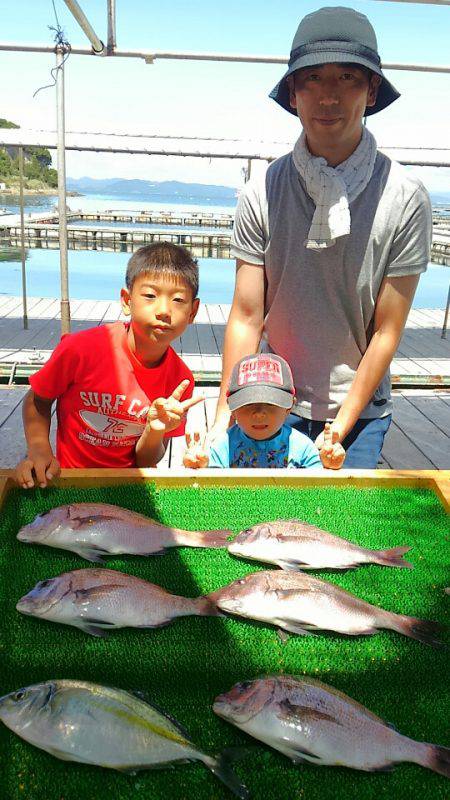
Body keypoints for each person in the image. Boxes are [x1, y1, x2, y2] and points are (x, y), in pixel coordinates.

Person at [211, 6, 432, 469]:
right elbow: (247, 316)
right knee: (256, 528)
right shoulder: (262, 191)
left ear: (371, 91)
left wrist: (342, 425)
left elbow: (386, 331)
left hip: (359, 412)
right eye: (311, 78)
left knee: (338, 532)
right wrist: (223, 415)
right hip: (266, 398)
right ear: (293, 93)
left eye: (348, 76)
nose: (328, 96)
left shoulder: (405, 197)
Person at [15, 243, 203, 488]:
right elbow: (38, 399)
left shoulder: (180, 380)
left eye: (178, 300)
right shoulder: (80, 349)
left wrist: (155, 429)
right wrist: (39, 449)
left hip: (130, 485)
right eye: (150, 296)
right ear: (127, 300)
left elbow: (146, 459)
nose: (164, 310)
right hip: (71, 478)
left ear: (193, 311)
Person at [184, 353, 345, 469]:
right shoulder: (222, 446)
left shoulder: (303, 447)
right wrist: (199, 466)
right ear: (232, 408)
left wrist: (330, 466)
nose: (259, 413)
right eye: (248, 404)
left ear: (289, 406)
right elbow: (209, 492)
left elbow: (319, 491)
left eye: (270, 404)